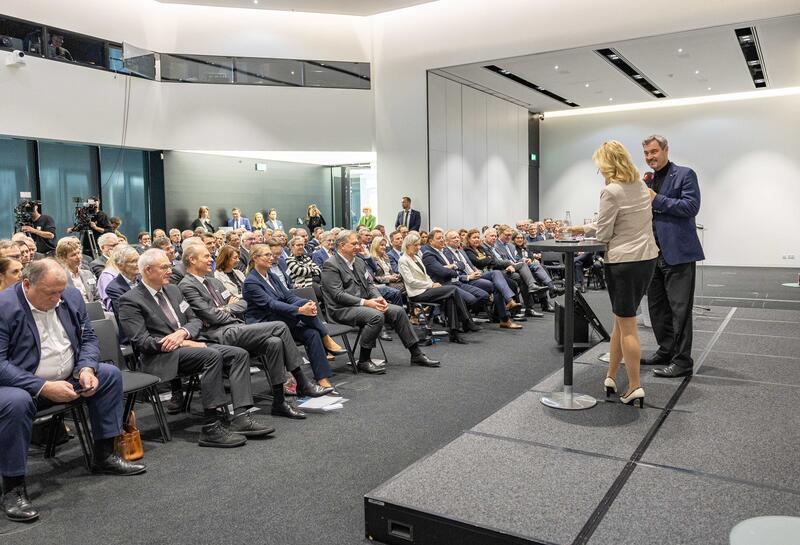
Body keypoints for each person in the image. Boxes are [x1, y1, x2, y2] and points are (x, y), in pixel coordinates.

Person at [0, 260, 146, 522]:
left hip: (69, 377)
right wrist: (43, 386)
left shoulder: (70, 296)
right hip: (21, 385)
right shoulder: (4, 307)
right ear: (26, 284)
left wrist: (86, 369)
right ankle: (13, 488)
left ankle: (104, 456)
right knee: (16, 402)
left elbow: (88, 338)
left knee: (108, 375)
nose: (58, 299)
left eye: (60, 291)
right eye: (50, 293)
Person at [118, 249, 269, 446]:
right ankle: (211, 427)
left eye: (169, 266)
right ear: (148, 270)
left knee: (238, 354)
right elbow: (142, 342)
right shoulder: (130, 300)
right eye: (164, 267)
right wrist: (180, 342)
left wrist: (183, 333)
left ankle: (241, 417)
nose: (170, 270)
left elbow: (195, 320)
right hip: (161, 356)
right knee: (211, 356)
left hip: (190, 345)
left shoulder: (173, 290)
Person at [179, 244, 332, 419]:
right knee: (279, 326)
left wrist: (225, 309)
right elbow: (210, 316)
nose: (211, 259)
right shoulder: (187, 285)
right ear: (192, 260)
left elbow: (242, 303)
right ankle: (302, 381)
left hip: (236, 326)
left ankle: (279, 402)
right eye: (206, 256)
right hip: (217, 333)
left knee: (274, 342)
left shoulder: (214, 282)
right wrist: (226, 309)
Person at [568, 140, 658, 407]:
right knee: (621, 320)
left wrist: (587, 232)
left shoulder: (611, 191)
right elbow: (623, 220)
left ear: (607, 165)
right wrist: (584, 229)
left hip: (623, 263)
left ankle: (635, 386)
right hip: (646, 258)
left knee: (627, 326)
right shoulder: (640, 186)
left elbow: (605, 233)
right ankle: (610, 376)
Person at [321, 230, 440, 372]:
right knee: (376, 316)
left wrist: (379, 298)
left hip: (363, 305)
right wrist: (367, 303)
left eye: (358, 243)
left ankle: (416, 354)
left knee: (398, 311)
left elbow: (370, 285)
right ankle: (364, 360)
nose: (358, 247)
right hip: (341, 309)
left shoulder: (358, 261)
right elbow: (338, 295)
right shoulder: (331, 265)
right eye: (354, 244)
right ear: (341, 246)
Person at [639, 135, 705, 379]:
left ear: (666, 150)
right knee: (657, 309)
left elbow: (691, 207)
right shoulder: (647, 180)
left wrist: (657, 199)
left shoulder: (685, 174)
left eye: (654, 151)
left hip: (678, 254)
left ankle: (682, 361)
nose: (650, 157)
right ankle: (666, 350)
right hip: (652, 254)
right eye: (646, 153)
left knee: (680, 311)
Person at [243, 244, 347, 391]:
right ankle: (326, 337)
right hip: (265, 324)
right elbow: (271, 304)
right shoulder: (251, 281)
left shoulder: (271, 276)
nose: (271, 257)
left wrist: (306, 305)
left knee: (312, 333)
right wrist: (300, 310)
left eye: (271, 254)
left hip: (281, 318)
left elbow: (289, 296)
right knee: (303, 307)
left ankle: (322, 378)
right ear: (255, 258)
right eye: (267, 255)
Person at [399, 232, 478, 344]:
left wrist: (433, 283)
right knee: (453, 289)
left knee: (451, 298)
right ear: (408, 245)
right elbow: (410, 282)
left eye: (419, 245)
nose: (418, 247)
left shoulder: (416, 257)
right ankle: (467, 320)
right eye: (415, 245)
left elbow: (426, 276)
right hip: (416, 293)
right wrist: (431, 285)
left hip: (426, 289)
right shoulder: (403, 260)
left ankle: (454, 333)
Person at [441, 229, 522, 329]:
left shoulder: (461, 251)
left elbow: (470, 265)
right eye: (454, 238)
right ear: (447, 241)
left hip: (475, 274)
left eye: (458, 237)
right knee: (497, 286)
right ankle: (506, 316)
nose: (457, 239)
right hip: (465, 280)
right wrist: (469, 276)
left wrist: (476, 270)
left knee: (496, 273)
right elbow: (452, 273)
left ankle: (509, 304)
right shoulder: (446, 253)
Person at [55, 237, 100, 304]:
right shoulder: (59, 278)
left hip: (93, 308)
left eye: (78, 253)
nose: (78, 257)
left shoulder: (88, 274)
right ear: (63, 258)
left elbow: (98, 297)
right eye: (73, 255)